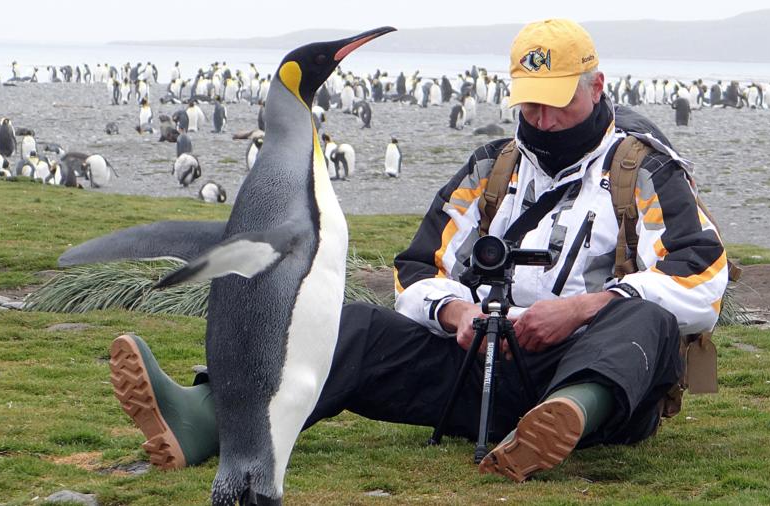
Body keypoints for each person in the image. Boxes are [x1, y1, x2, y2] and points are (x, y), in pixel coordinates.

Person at [111, 18, 728, 482]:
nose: (542, 115)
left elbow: (702, 279)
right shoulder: (492, 169)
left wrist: (579, 309)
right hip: (485, 367)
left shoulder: (643, 170)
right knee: (346, 328)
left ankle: (568, 414)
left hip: (606, 378)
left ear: (597, 86)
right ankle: (206, 417)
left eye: (559, 97)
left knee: (644, 315)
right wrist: (455, 313)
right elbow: (417, 269)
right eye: (530, 99)